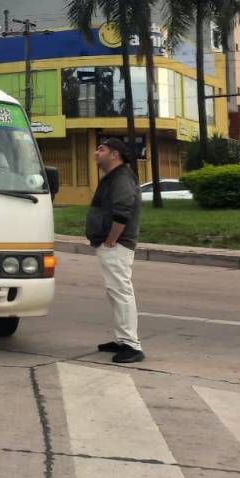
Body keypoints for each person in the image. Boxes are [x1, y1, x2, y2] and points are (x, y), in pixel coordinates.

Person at [87, 137, 145, 364]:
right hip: (111, 243)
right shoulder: (113, 177)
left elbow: (123, 212)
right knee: (115, 291)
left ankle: (132, 345)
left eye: (101, 149)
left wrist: (111, 240)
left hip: (117, 244)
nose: (96, 152)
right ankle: (122, 339)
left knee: (121, 291)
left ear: (115, 155)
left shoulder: (122, 177)